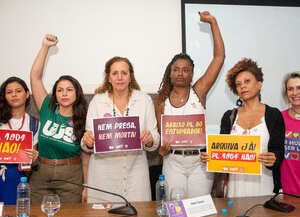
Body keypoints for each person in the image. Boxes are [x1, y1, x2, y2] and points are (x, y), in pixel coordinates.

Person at [154, 11, 225, 198]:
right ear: (169, 73)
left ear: (192, 74)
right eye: (176, 69)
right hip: (173, 163)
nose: (180, 73)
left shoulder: (199, 91)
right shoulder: (161, 100)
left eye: (186, 70)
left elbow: (219, 58)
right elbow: (162, 138)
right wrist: (161, 149)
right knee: (175, 213)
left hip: (199, 163)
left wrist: (213, 22)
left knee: (199, 213)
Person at [201, 58, 285, 197]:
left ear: (259, 84)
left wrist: (274, 158)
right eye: (238, 84)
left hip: (265, 186)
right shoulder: (229, 116)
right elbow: (221, 149)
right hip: (235, 188)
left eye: (247, 81)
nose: (242, 86)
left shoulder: (273, 115)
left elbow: (279, 151)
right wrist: (208, 155)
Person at [81, 56, 160, 203]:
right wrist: (88, 140)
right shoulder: (97, 101)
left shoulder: (144, 100)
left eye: (124, 73)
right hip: (103, 175)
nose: (120, 77)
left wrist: (150, 140)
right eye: (115, 73)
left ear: (131, 77)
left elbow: (155, 137)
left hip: (135, 174)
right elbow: (87, 140)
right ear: (108, 78)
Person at [29, 34, 88, 204]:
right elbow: (35, 77)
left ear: (77, 93)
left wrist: (86, 185)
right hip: (41, 174)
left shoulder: (85, 118)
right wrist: (45, 47)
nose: (64, 93)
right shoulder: (47, 108)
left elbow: (86, 156)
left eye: (69, 89)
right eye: (60, 90)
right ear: (55, 93)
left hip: (71, 175)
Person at [0, 77, 39, 205]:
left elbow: (31, 163)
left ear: (27, 94)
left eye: (18, 91)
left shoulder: (35, 124)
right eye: (9, 92)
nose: (14, 95)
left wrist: (33, 159)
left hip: (20, 178)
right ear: (4, 96)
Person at [280, 72, 300, 195]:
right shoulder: (279, 118)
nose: (295, 93)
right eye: (290, 89)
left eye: (299, 88)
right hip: (286, 193)